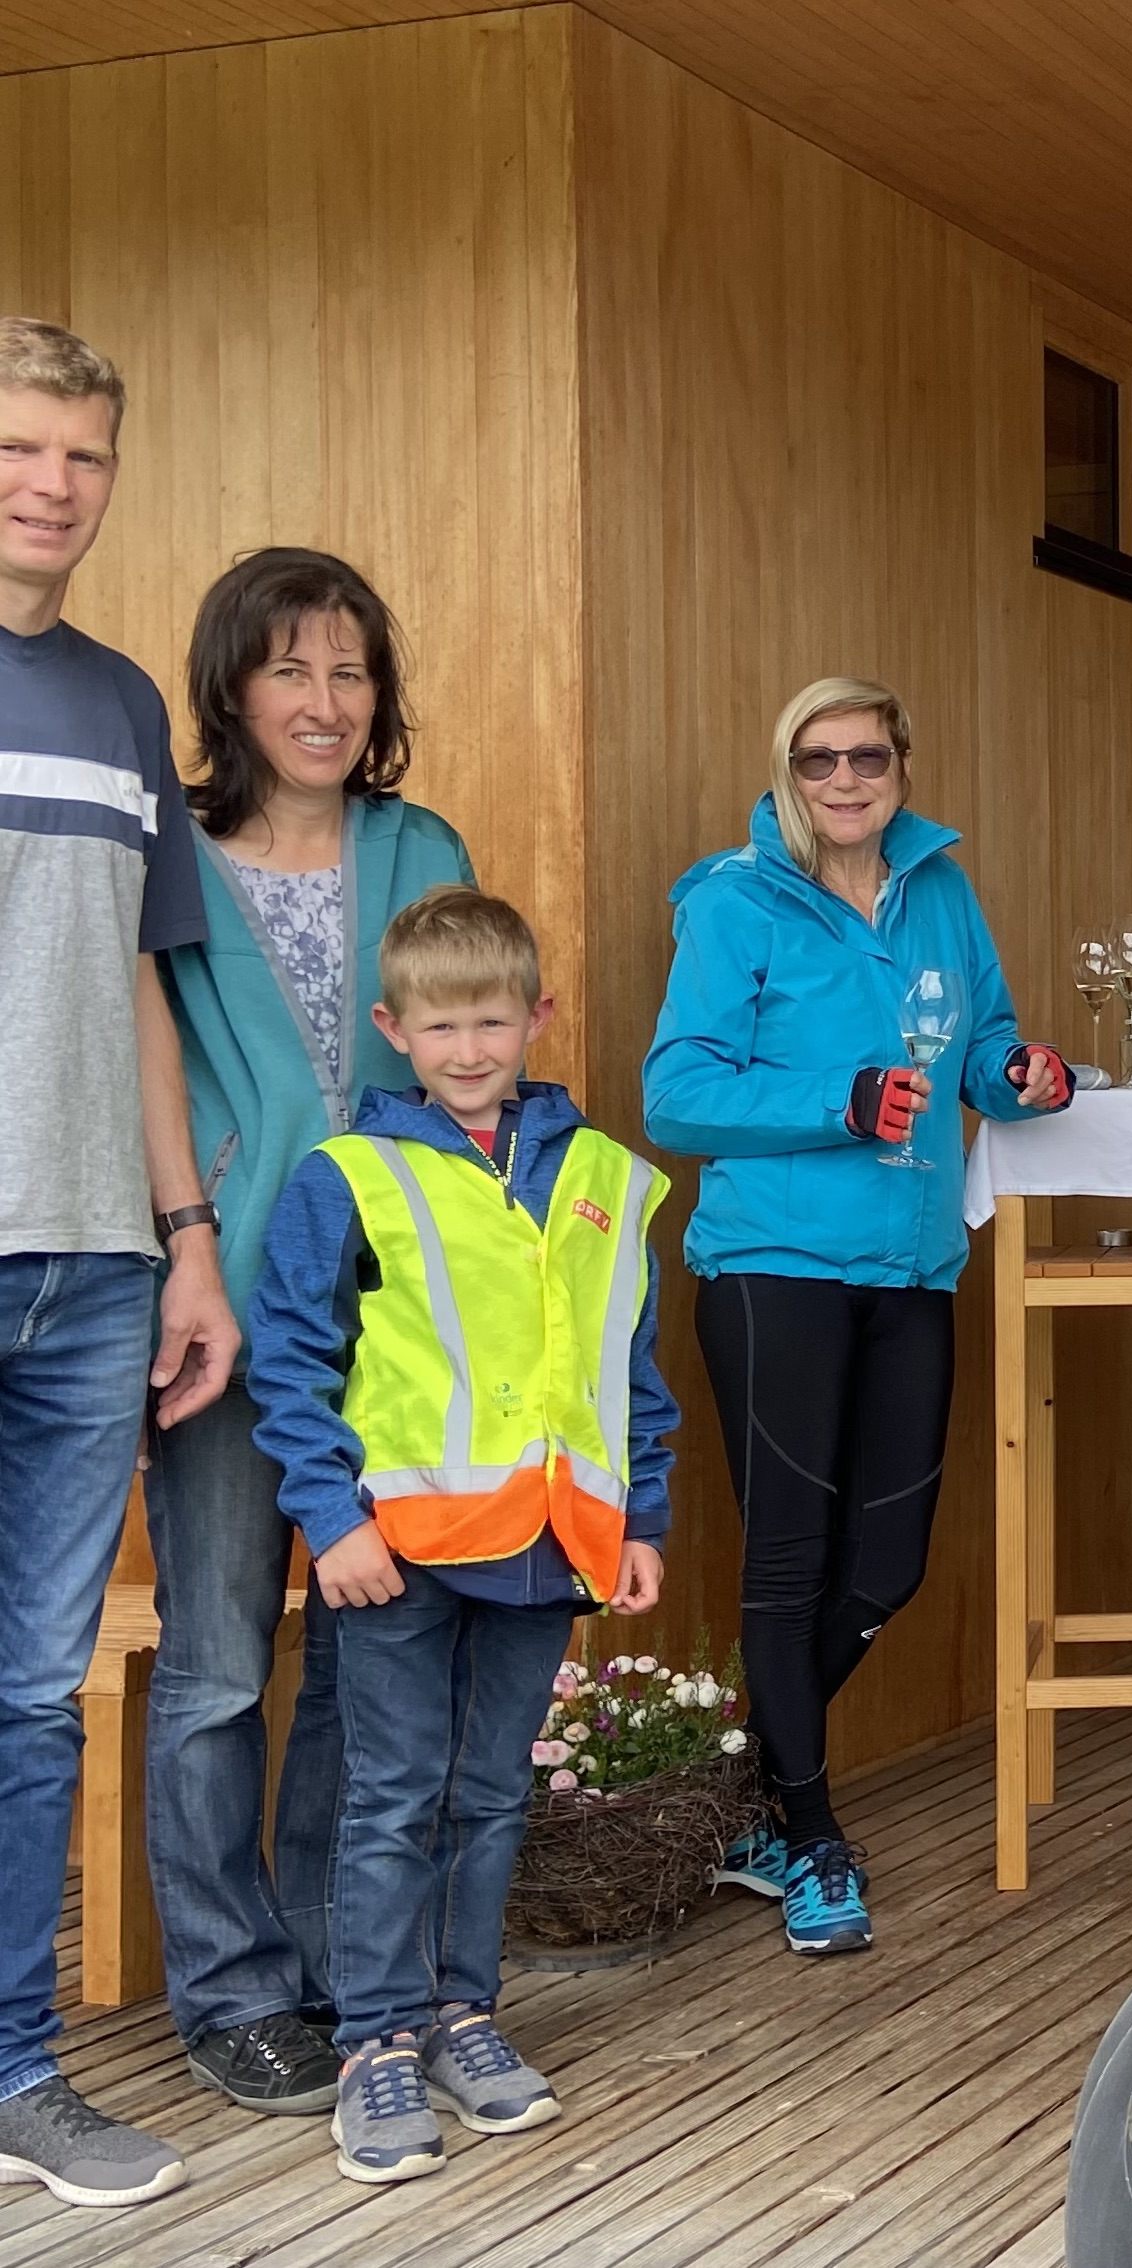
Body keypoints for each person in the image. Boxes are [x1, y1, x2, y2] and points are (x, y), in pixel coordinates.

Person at [246, 885, 674, 2184]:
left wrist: (640, 1516)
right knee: (390, 1800)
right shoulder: (352, 1176)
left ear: (538, 1016)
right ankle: (373, 2042)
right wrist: (330, 1522)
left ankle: (461, 2015)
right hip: (399, 1553)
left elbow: (625, 1364)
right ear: (393, 1029)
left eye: (494, 1020)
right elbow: (290, 1359)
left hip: (549, 1549)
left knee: (492, 1795)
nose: (472, 1049)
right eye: (442, 1028)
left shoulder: (604, 1177)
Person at [646, 675, 1070, 1956]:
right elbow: (674, 1097)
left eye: (866, 757)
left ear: (899, 764)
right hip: (773, 1265)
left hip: (914, 1264)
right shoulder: (734, 900)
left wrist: (1016, 1074)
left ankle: (731, 1778)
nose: (843, 780)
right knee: (790, 1557)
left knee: (887, 1565)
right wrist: (839, 1099)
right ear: (788, 770)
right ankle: (812, 1837)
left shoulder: (938, 887)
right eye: (817, 760)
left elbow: (979, 1040)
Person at [149, 547, 475, 2121]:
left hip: (393, 1310)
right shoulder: (174, 848)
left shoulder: (422, 845)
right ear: (234, 687)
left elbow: (460, 1060)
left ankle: (350, 1967)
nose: (324, 701)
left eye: (349, 671)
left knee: (366, 1654)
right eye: (290, 671)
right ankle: (227, 1985)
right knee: (217, 1657)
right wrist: (179, 1243)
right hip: (220, 1302)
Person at [0, 315, 233, 2211]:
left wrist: (187, 1241)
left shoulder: (122, 702)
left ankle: (15, 2064)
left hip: (90, 1266)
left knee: (27, 1693)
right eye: (19, 446)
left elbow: (150, 995)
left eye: (82, 455)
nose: (49, 484)